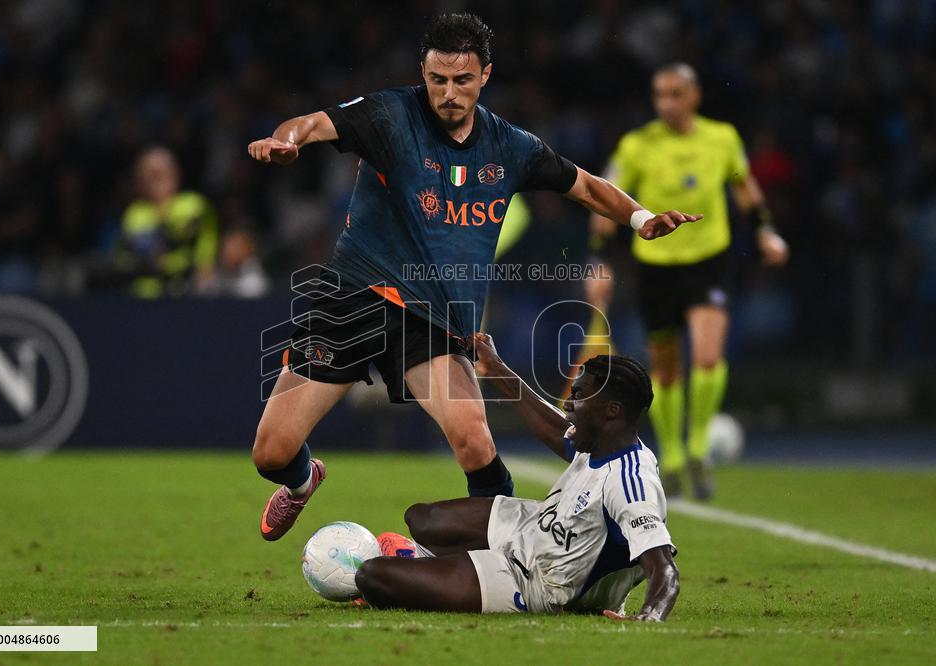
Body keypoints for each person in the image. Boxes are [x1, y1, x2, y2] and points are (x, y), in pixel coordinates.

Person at [246, 13, 700, 542]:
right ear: (424, 72)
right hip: (355, 297)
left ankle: (509, 555)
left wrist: (642, 218)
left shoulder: (510, 147)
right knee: (272, 453)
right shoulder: (390, 115)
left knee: (474, 440)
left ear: (485, 75)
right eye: (437, 79)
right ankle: (303, 482)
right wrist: (287, 141)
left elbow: (587, 187)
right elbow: (313, 123)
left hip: (433, 318)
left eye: (462, 80)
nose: (448, 92)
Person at [354, 333, 679, 619]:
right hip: (535, 528)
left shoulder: (631, 482)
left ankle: (454, 570)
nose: (568, 401)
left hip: (541, 581)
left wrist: (650, 616)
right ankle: (444, 567)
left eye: (579, 395)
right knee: (420, 519)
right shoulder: (598, 441)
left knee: (373, 576)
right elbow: (556, 429)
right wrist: (496, 367)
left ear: (612, 411)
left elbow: (664, 569)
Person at [587, 63, 789, 499]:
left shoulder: (722, 138)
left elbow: (744, 187)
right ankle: (674, 455)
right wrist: (601, 261)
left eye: (675, 94)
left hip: (708, 261)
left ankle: (698, 446)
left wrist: (765, 230)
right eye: (660, 95)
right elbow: (605, 197)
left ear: (694, 96)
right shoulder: (637, 145)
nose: (666, 103)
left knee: (709, 355)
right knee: (666, 367)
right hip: (656, 265)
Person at [115, 146, 219, 298]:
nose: (153, 181)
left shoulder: (193, 204)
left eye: (158, 174)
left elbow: (204, 240)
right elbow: (126, 255)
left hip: (186, 290)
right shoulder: (134, 213)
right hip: (142, 295)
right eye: (146, 176)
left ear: (175, 173)